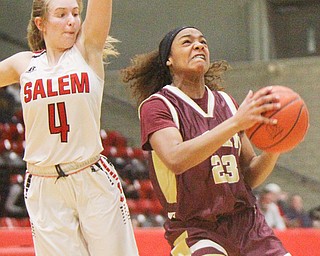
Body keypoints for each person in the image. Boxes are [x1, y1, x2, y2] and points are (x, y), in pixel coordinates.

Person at [122, 26, 291, 256]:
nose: (199, 45)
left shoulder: (228, 103)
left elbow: (249, 175)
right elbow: (175, 158)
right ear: (169, 60)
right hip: (195, 228)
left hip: (247, 225)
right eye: (187, 42)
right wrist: (235, 124)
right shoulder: (158, 106)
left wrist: (275, 147)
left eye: (203, 41)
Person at [0, 0, 139, 255]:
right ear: (41, 24)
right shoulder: (24, 63)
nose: (72, 21)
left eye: (75, 14)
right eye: (61, 15)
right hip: (44, 184)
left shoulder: (87, 50)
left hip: (90, 177)